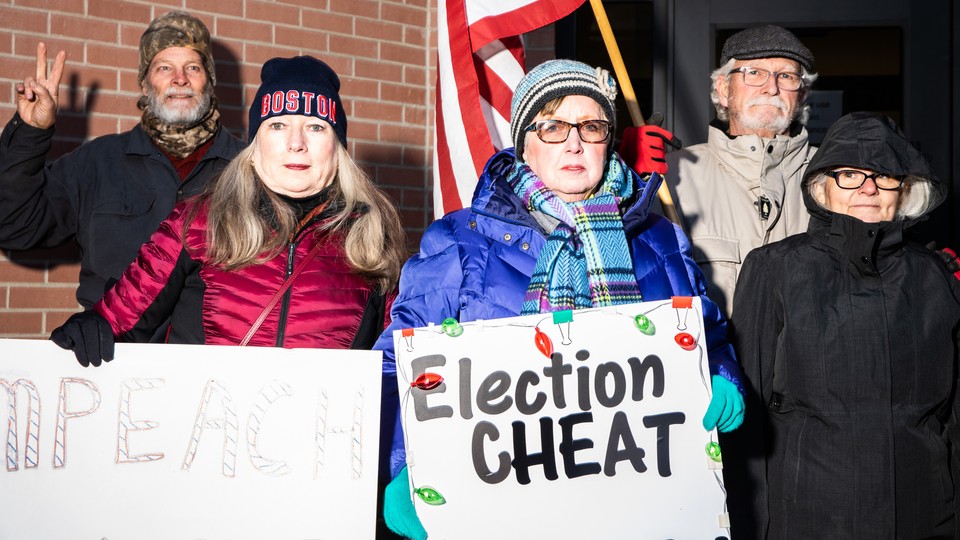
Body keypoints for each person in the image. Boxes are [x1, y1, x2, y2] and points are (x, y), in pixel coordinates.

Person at [377, 59, 747, 540]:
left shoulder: (661, 240)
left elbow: (708, 336)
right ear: (523, 144)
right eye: (551, 126)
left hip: (633, 507)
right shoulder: (461, 240)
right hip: (498, 508)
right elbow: (399, 365)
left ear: (608, 141)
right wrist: (406, 468)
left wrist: (718, 375)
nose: (573, 142)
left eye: (591, 126)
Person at [50, 55, 406, 360]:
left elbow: (396, 366)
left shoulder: (372, 239)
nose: (296, 144)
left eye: (315, 127)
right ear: (255, 144)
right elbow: (120, 320)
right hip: (208, 434)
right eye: (278, 125)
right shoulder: (197, 221)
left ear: (337, 146)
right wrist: (91, 327)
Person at [728, 112, 959, 539]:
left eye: (884, 175)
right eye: (850, 174)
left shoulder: (937, 277)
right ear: (822, 187)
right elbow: (748, 420)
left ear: (905, 189)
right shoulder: (774, 269)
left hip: (924, 517)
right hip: (810, 517)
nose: (868, 187)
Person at [0, 11, 245, 312]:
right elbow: (16, 227)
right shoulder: (97, 163)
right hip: (111, 352)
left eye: (192, 67)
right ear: (145, 84)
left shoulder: (248, 168)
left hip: (212, 355)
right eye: (164, 67)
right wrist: (30, 134)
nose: (179, 79)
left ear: (209, 81)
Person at [664, 25, 818, 318]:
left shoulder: (835, 178)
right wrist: (623, 175)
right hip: (714, 362)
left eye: (786, 76)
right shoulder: (671, 177)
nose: (771, 88)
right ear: (724, 90)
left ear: (801, 95)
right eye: (754, 73)